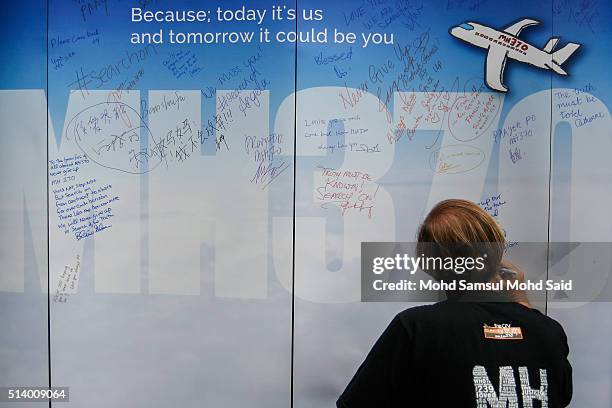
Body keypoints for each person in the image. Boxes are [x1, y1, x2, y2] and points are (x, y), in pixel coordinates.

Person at [337, 199, 572, 407]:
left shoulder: (417, 327)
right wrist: (522, 303)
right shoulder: (549, 333)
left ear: (429, 264)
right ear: (497, 250)